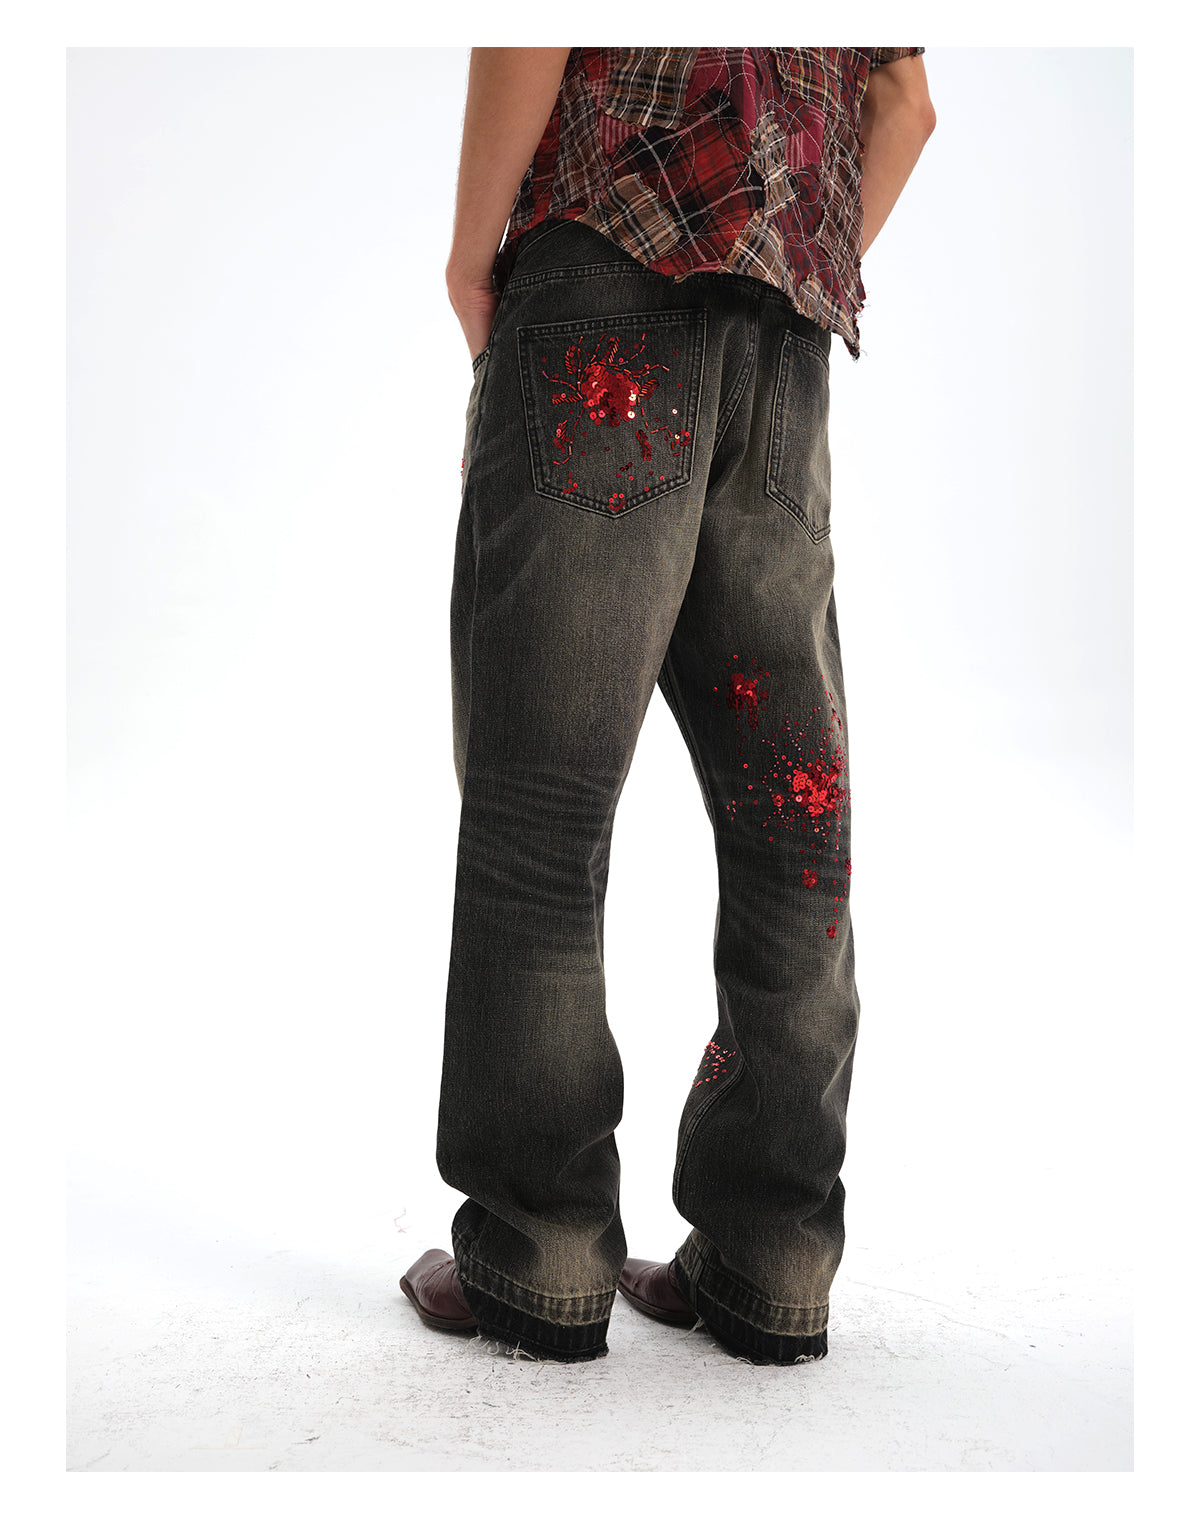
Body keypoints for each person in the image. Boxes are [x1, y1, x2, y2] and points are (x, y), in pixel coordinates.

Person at [400, 46, 935, 1365]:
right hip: (783, 338)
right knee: (789, 824)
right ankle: (772, 1256)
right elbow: (906, 106)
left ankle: (542, 1254)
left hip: (602, 296)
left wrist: (473, 262)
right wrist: (780, 257)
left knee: (542, 809)